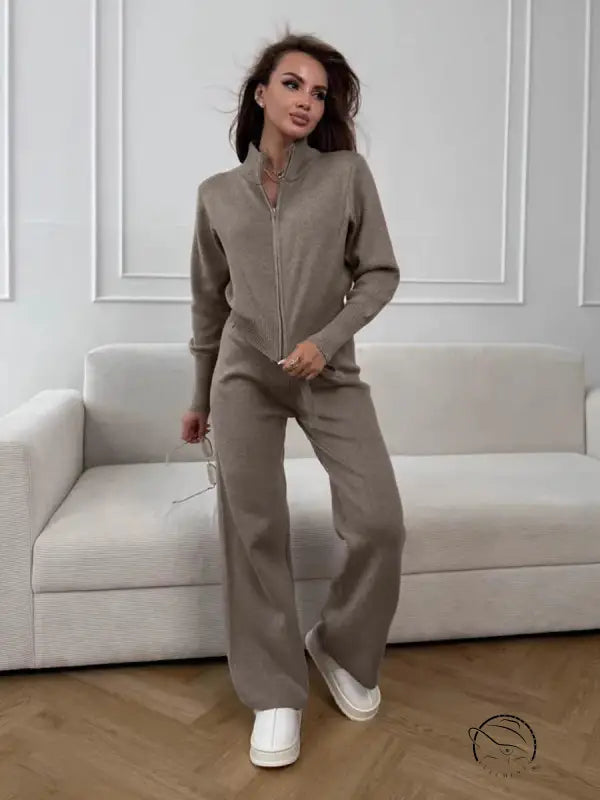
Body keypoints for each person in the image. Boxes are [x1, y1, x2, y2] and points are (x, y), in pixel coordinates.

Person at [180, 29, 406, 769]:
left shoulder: (346, 175)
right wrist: (199, 395)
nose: (307, 100)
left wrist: (327, 340)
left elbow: (378, 273)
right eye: (292, 84)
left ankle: (339, 646)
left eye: (319, 92)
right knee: (254, 530)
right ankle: (275, 691)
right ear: (261, 93)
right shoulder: (217, 195)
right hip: (243, 375)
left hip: (326, 371)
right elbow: (208, 305)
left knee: (379, 522)